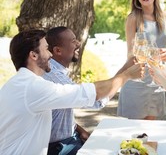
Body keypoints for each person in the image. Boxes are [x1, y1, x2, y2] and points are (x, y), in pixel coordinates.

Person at [0, 29, 143, 155]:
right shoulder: (32, 87)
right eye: (46, 49)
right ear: (34, 55)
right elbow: (91, 95)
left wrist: (77, 129)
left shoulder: (20, 83)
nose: (50, 54)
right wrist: (127, 75)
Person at [42, 26, 109, 155]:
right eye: (73, 41)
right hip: (58, 147)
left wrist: (78, 129)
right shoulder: (55, 77)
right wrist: (125, 75)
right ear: (57, 50)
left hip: (69, 139)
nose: (78, 43)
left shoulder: (57, 73)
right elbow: (96, 101)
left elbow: (57, 114)